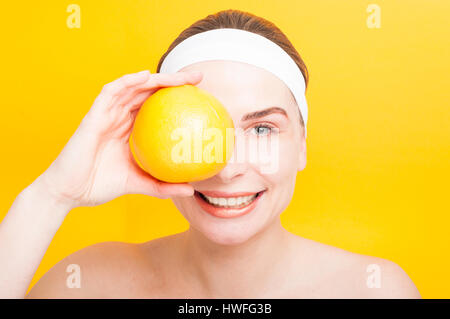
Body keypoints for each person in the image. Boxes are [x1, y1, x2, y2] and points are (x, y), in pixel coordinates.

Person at [0, 9, 420, 299]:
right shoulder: (91, 282)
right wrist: (51, 195)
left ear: (302, 146)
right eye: (200, 130)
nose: (229, 168)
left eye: (261, 128)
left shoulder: (373, 289)